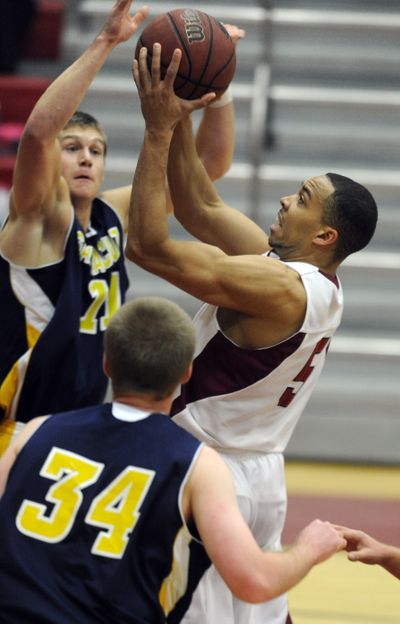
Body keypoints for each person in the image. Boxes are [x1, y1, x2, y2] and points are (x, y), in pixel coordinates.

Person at [126, 45, 378, 624]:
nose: (288, 199)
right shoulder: (306, 280)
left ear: (324, 236)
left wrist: (157, 130)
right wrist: (182, 110)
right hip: (259, 475)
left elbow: (147, 246)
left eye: (304, 199)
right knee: (258, 613)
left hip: (212, 471)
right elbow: (200, 204)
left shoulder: (281, 288)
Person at [0, 296, 346, 623]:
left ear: (107, 365)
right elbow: (253, 581)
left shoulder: (35, 432)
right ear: (186, 373)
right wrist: (308, 548)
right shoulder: (196, 464)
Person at [0, 0, 240, 456]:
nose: (87, 157)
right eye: (72, 148)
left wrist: (218, 85)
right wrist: (106, 42)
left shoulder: (114, 214)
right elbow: (36, 136)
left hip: (76, 424)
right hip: (15, 426)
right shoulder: (39, 222)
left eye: (96, 149)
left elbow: (210, 165)